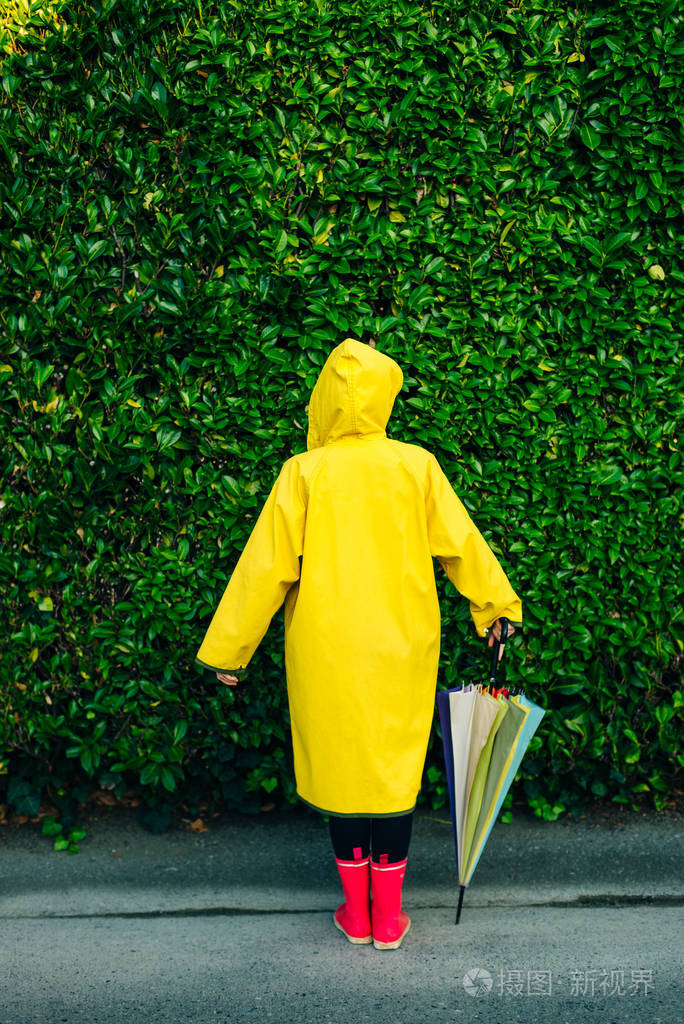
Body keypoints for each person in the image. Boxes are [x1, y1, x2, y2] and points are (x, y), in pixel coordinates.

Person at [196, 337, 522, 950]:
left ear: (324, 398)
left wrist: (229, 650)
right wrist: (497, 610)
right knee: (392, 775)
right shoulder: (416, 466)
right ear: (384, 397)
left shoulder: (303, 472)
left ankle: (357, 912)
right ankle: (389, 918)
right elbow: (462, 545)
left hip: (326, 650)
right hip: (402, 646)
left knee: (343, 775)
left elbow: (265, 567)